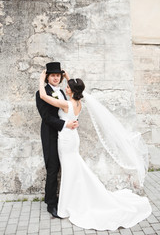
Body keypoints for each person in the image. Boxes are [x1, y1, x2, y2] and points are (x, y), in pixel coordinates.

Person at [39, 69, 152, 231]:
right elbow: (76, 89)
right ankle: (75, 197)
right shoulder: (78, 103)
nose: (65, 88)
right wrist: (69, 78)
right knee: (74, 167)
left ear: (71, 90)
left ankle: (69, 202)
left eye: (68, 87)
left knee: (70, 169)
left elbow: (43, 96)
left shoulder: (66, 104)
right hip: (73, 137)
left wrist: (41, 79)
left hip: (66, 139)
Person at [36, 62, 78, 218]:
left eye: (58, 75)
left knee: (64, 166)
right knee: (53, 168)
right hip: (50, 134)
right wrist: (66, 124)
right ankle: (51, 204)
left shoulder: (62, 91)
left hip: (64, 136)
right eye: (52, 75)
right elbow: (46, 117)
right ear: (47, 77)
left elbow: (73, 98)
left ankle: (63, 197)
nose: (55, 78)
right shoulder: (41, 92)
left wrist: (68, 77)